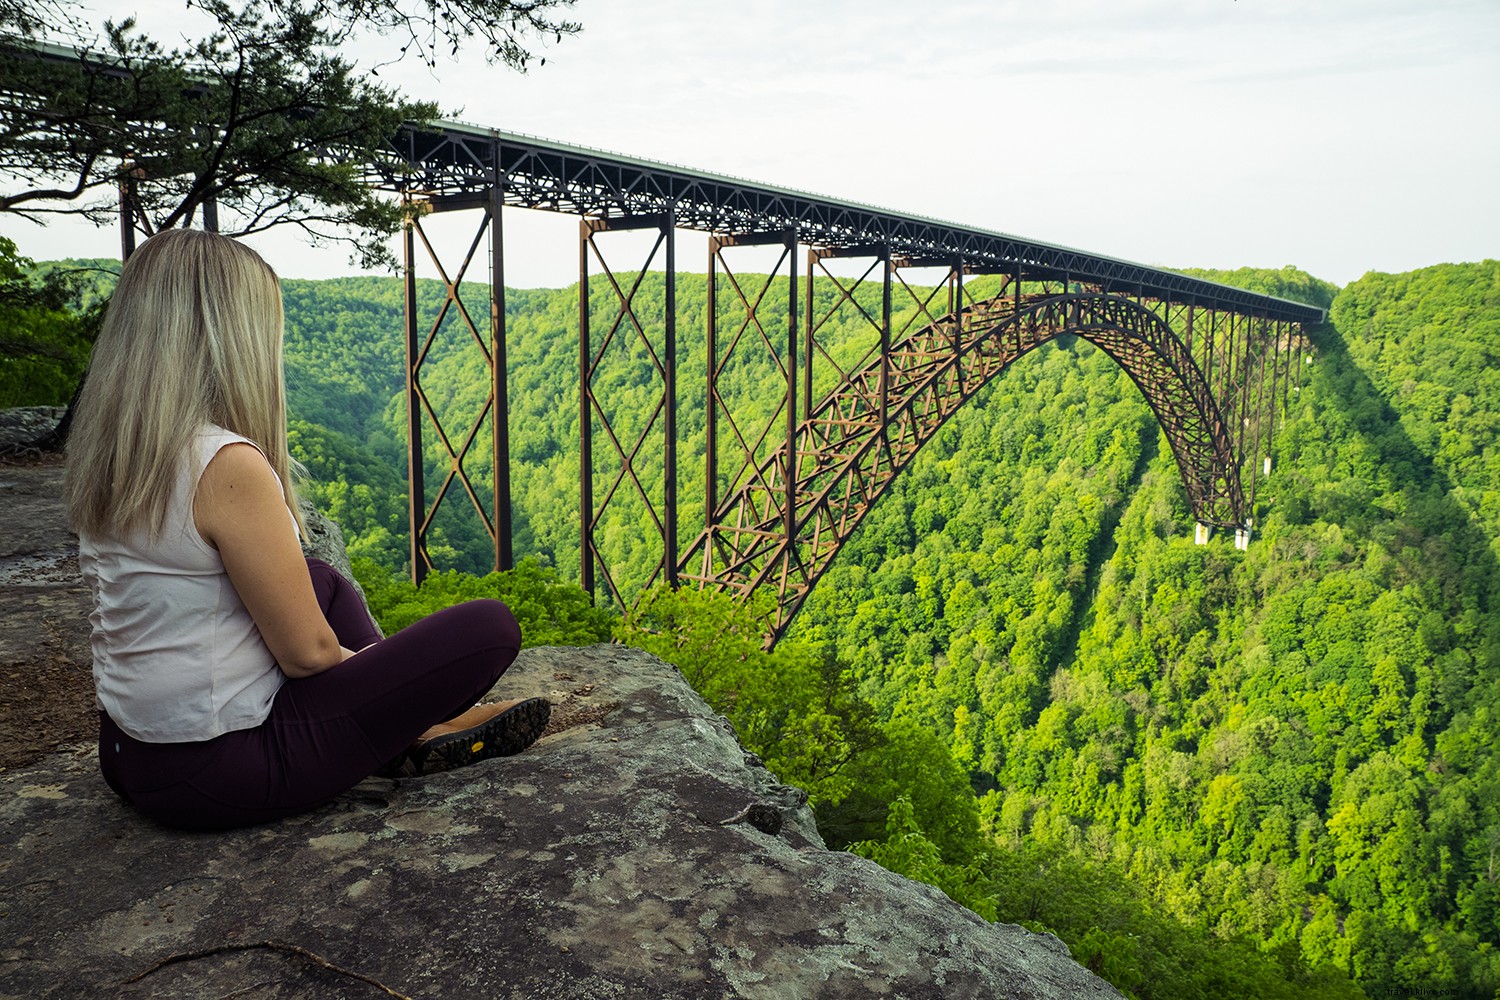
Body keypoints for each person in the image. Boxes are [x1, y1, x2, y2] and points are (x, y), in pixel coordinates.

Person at [64, 228, 548, 832]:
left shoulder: (116, 450)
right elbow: (308, 657)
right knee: (489, 627)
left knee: (318, 580)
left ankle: (414, 729)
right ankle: (411, 728)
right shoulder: (224, 463)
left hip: (131, 750)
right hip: (217, 771)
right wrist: (375, 681)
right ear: (233, 338)